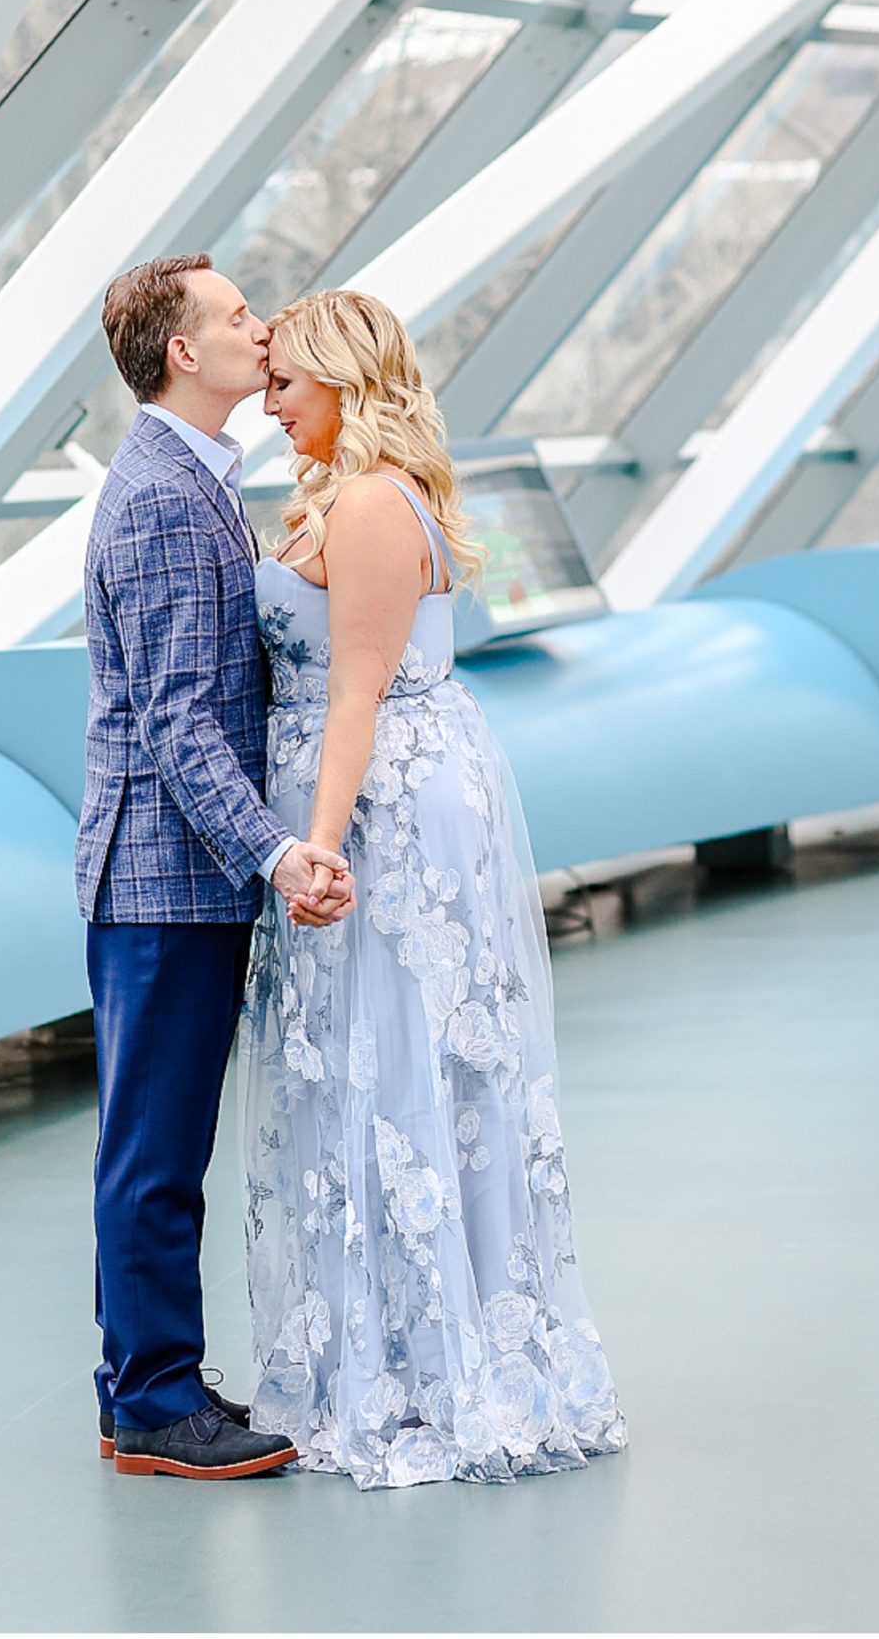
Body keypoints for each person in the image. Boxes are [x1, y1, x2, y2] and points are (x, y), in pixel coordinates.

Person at [239, 287, 629, 1489]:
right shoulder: (351, 493)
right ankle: (403, 1347)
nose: (268, 402)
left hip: (380, 815)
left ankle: (423, 1370)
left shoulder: (364, 503)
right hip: (380, 794)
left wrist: (317, 845)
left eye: (287, 385)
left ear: (344, 385)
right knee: (380, 1060)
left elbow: (354, 689)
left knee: (393, 1055)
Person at [78, 254, 355, 1481]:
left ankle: (139, 1380)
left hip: (167, 872)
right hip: (164, 877)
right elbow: (182, 721)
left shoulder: (186, 481)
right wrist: (277, 849)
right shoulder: (160, 498)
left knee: (152, 1140)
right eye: (240, 315)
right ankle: (155, 1401)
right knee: (155, 1151)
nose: (263, 326)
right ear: (183, 352)